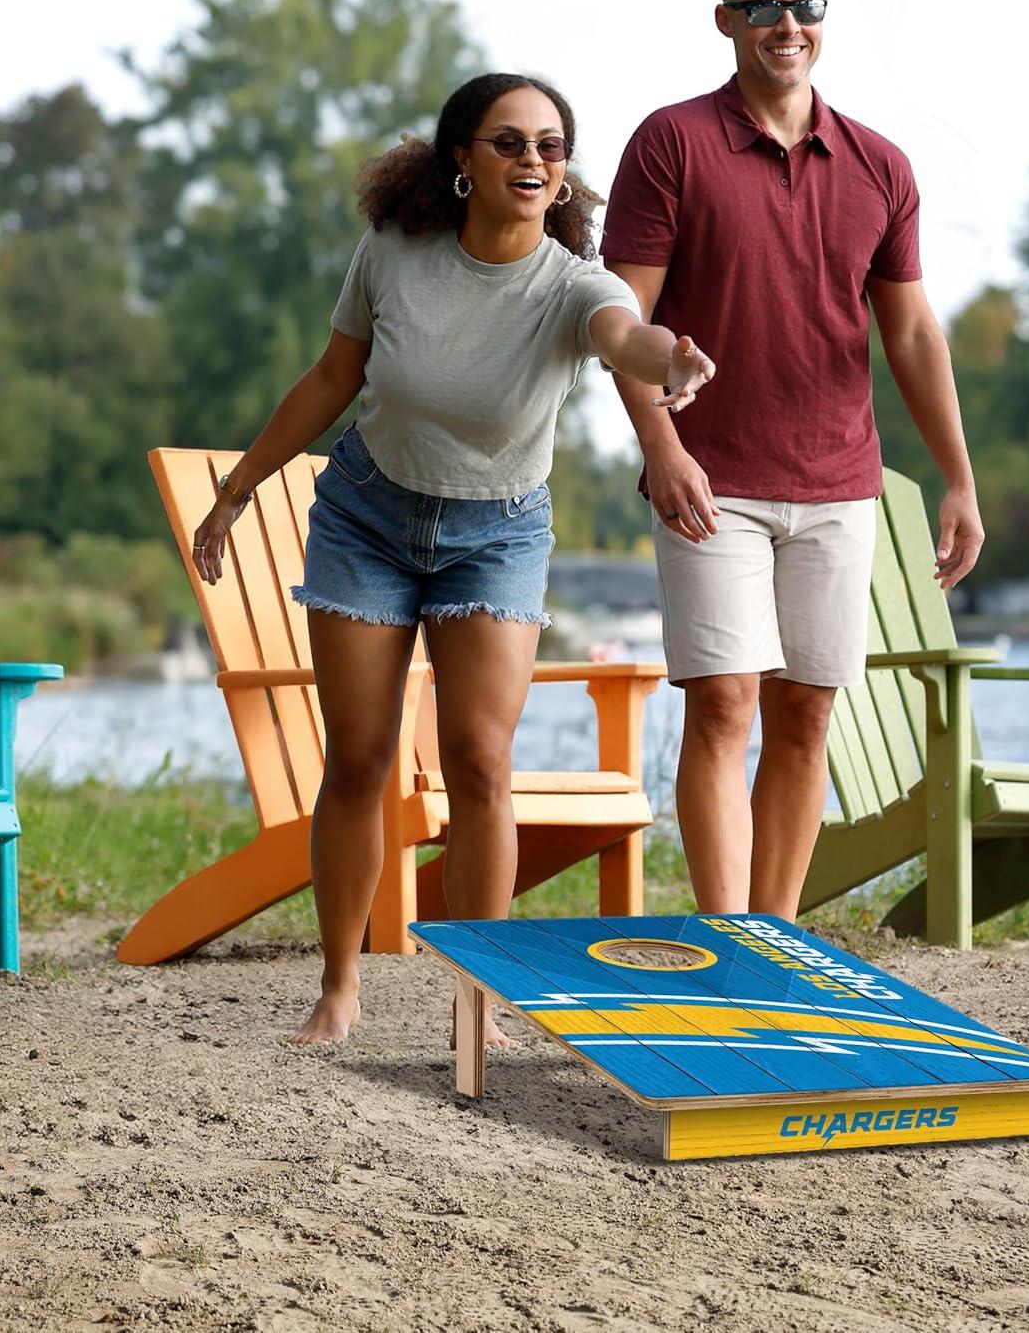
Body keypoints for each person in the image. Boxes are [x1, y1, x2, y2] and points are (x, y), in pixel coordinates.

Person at [191, 73, 715, 1045]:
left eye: (550, 147)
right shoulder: (394, 253)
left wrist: (669, 362)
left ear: (563, 176)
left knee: (480, 761)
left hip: (498, 534)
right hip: (367, 520)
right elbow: (332, 377)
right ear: (463, 162)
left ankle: (480, 1000)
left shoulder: (574, 283)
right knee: (359, 757)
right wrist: (241, 487)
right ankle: (340, 987)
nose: (532, 160)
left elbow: (623, 338)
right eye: (509, 142)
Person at [602, 0, 983, 920]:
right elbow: (620, 323)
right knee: (723, 702)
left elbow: (909, 331)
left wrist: (957, 479)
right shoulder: (670, 144)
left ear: (823, 19)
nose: (787, 25)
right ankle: (729, 937)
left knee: (806, 713)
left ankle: (774, 937)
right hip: (710, 479)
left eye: (804, 6)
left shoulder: (880, 166)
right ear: (725, 22)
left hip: (838, 483)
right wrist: (663, 448)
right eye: (763, 9)